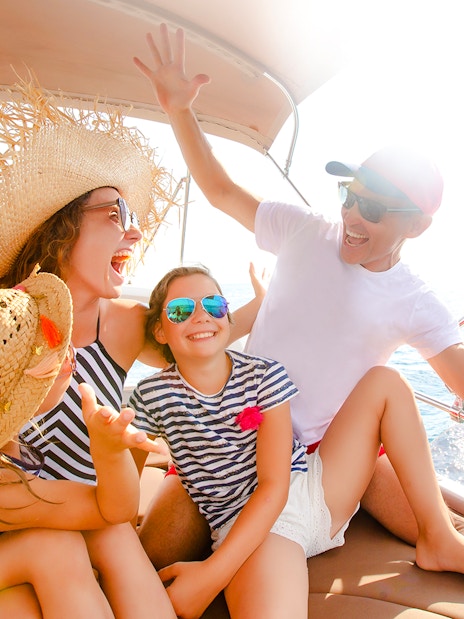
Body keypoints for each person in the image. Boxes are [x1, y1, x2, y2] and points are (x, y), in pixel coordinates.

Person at [132, 24, 464, 562]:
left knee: (446, 530)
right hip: (228, 435)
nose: (353, 216)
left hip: (320, 457)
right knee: (151, 558)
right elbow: (218, 190)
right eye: (350, 196)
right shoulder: (306, 230)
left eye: (375, 209)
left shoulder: (416, 300)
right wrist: (178, 110)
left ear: (418, 227)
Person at [129, 264, 464, 619]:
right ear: (159, 330)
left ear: (227, 317)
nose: (201, 317)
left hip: (310, 490)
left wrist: (210, 576)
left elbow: (275, 486)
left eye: (213, 305)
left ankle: (439, 538)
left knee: (386, 382)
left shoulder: (264, 373)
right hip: (252, 526)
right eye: (180, 310)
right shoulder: (151, 396)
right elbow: (125, 484)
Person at [0, 266, 175, 619]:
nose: (65, 348)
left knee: (109, 534)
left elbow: (112, 515)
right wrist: (108, 452)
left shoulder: (11, 449)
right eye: (44, 347)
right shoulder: (6, 484)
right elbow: (113, 508)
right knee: (53, 547)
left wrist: (110, 451)